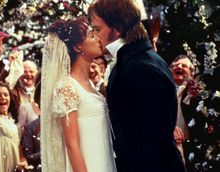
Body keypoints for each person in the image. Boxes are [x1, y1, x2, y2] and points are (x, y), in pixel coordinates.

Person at [88, 0, 185, 172]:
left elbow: (155, 145)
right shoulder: (133, 62)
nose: (95, 36)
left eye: (97, 29)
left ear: (117, 28)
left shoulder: (143, 68)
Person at [40, 16, 117, 172]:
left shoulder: (91, 85)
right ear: (77, 47)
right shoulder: (67, 87)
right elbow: (72, 145)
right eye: (91, 35)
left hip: (105, 162)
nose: (98, 38)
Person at [0, 37, 27, 172]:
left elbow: (20, 155)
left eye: (5, 95)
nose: (2, 98)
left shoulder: (11, 123)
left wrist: (22, 163)